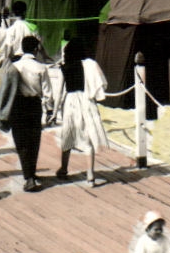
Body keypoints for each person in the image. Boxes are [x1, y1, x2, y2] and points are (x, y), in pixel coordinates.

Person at [55, 46, 109, 186]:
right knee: (88, 138)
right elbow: (101, 83)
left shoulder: (63, 68)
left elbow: (59, 93)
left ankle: (64, 169)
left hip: (70, 102)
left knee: (67, 135)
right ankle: (90, 175)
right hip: (86, 101)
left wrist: (54, 112)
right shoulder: (89, 65)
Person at [8, 35, 53, 192]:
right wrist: (50, 110)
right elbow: (47, 93)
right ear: (36, 49)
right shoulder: (41, 68)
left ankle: (29, 176)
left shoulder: (14, 66)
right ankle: (30, 175)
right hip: (34, 105)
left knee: (21, 141)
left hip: (17, 105)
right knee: (33, 141)